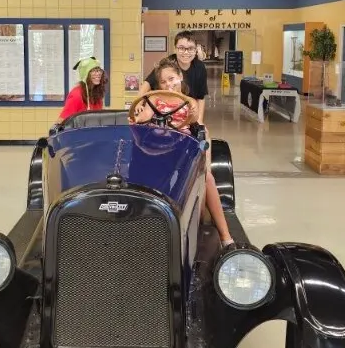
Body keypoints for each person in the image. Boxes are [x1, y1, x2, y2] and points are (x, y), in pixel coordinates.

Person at [132, 58, 233, 247]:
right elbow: (142, 119)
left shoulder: (189, 101)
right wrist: (139, 116)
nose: (168, 85)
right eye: (163, 82)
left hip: (182, 148)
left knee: (208, 179)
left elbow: (197, 124)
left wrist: (194, 119)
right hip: (156, 149)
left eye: (171, 79)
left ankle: (225, 236)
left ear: (180, 77)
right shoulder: (153, 99)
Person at [139, 31, 209, 124]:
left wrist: (200, 121)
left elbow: (201, 97)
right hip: (164, 107)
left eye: (190, 48)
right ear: (175, 49)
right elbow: (147, 83)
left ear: (196, 50)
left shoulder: (200, 67)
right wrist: (139, 103)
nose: (186, 52)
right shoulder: (168, 64)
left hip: (185, 108)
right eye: (181, 48)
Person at [58, 57, 107, 122]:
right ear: (85, 75)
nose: (98, 73)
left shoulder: (96, 94)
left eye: (99, 70)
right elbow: (61, 121)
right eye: (93, 71)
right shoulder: (76, 95)